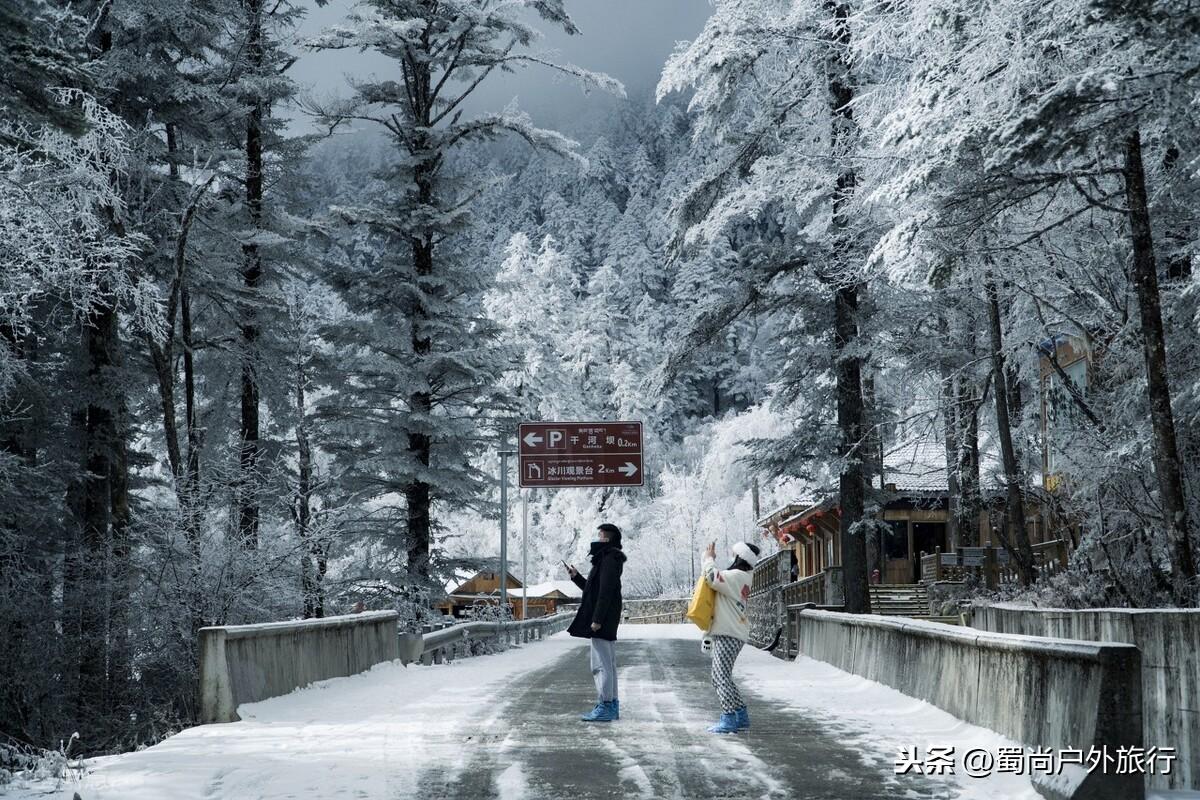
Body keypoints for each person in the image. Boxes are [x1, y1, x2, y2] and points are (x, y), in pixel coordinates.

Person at [565, 522, 626, 722]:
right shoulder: (608, 559)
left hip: (603, 619)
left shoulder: (608, 559)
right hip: (607, 617)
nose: (597, 539)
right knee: (608, 663)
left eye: (600, 535)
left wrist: (597, 619)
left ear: (606, 539)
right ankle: (611, 704)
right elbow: (595, 590)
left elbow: (605, 592)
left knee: (600, 665)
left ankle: (606, 705)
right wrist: (577, 578)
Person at [701, 539, 760, 734]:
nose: (731, 557)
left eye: (734, 554)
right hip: (733, 632)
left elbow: (711, 577)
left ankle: (728, 718)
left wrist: (708, 558)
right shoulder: (743, 576)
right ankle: (740, 715)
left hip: (729, 632)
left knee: (719, 677)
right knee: (724, 676)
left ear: (739, 558)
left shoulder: (735, 576)